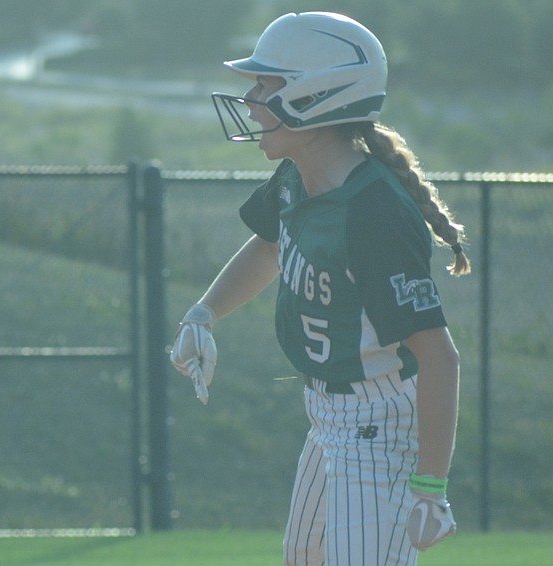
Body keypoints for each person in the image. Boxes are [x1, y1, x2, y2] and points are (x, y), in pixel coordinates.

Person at [170, 11, 469, 566]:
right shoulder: (298, 176)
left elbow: (439, 358)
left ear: (316, 97)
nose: (252, 98)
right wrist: (202, 314)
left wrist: (431, 486)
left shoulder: (372, 209)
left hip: (379, 425)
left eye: (266, 84)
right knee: (303, 556)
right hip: (329, 417)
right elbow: (269, 246)